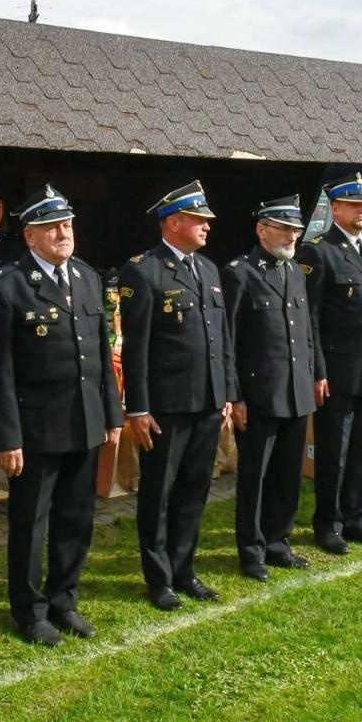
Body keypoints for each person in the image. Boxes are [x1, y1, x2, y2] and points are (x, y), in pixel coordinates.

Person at [0, 186, 120, 646]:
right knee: (30, 524)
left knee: (76, 518)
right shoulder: (7, 285)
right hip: (36, 428)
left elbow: (101, 353)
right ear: (30, 236)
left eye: (68, 224)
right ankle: (29, 610)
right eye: (53, 227)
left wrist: (112, 414)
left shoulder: (87, 277)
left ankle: (64, 600)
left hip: (84, 420)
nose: (64, 233)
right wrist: (7, 436)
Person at [118, 180, 235, 611]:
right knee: (159, 494)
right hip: (167, 407)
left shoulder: (208, 270)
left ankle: (185, 569)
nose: (207, 227)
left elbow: (222, 339)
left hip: (207, 402)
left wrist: (226, 392)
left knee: (194, 490)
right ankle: (159, 578)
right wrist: (139, 408)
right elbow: (136, 348)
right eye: (198, 219)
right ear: (172, 223)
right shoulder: (144, 271)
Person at [223, 197, 317, 581]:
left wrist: (313, 375)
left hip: (295, 390)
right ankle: (252, 550)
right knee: (255, 478)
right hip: (260, 394)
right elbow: (229, 340)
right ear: (262, 230)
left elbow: (305, 332)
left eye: (296, 230)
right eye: (285, 229)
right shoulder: (241, 273)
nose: (293, 236)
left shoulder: (294, 270)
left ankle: (278, 541)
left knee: (287, 474)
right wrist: (235, 396)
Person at [298, 174, 362, 552]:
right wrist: (318, 371)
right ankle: (328, 524)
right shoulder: (319, 252)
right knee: (334, 452)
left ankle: (356, 517)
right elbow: (310, 319)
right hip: (338, 372)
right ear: (335, 209)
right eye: (354, 205)